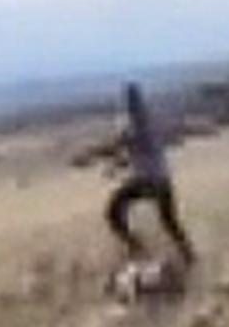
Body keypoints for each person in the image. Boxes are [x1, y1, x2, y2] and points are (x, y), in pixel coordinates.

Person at [81, 83, 197, 266]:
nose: (131, 105)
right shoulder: (151, 121)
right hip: (162, 181)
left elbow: (116, 146)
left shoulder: (133, 127)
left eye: (130, 101)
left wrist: (90, 156)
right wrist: (118, 164)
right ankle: (189, 256)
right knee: (170, 222)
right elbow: (139, 152)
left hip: (148, 182)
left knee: (113, 212)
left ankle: (137, 248)